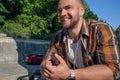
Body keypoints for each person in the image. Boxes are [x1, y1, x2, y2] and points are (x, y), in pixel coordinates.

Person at [40, 0, 120, 80]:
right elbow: (46, 62)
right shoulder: (57, 37)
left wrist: (69, 74)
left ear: (81, 11)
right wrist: (45, 69)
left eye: (68, 8)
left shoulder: (101, 30)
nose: (62, 14)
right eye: (59, 10)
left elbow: (112, 70)